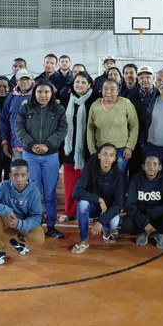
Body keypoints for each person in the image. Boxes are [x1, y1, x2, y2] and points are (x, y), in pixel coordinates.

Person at [15, 78, 68, 239]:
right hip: (30, 156)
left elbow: (62, 129)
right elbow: (19, 128)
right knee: (33, 192)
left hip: (50, 156)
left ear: (51, 93)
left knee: (50, 192)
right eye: (39, 91)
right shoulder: (25, 107)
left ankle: (51, 225)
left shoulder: (58, 109)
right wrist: (31, 144)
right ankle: (35, 225)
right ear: (34, 92)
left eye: (46, 91)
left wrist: (47, 144)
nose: (42, 95)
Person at [0, 159, 45, 265]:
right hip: (7, 221)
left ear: (28, 175)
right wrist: (6, 210)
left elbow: (37, 216)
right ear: (10, 175)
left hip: (22, 223)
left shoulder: (34, 191)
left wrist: (20, 224)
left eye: (23, 175)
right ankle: (0, 250)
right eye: (15, 175)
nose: (19, 179)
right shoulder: (3, 186)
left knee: (39, 239)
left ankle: (19, 241)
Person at [71, 143, 126, 254]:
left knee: (115, 222)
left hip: (108, 209)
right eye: (104, 154)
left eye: (111, 155)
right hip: (93, 206)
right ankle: (84, 240)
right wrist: (99, 199)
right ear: (99, 155)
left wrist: (101, 222)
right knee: (82, 204)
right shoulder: (89, 168)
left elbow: (118, 204)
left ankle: (106, 231)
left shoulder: (119, 175)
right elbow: (76, 192)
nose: (107, 158)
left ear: (115, 158)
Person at [59, 71, 97, 222]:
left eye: (83, 82)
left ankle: (90, 212)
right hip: (69, 149)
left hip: (88, 149)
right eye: (77, 82)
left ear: (89, 85)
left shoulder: (95, 100)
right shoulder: (66, 99)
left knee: (89, 183)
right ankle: (69, 211)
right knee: (70, 183)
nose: (79, 85)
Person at [122, 155, 163, 249]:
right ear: (143, 166)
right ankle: (143, 232)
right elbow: (130, 205)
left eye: (155, 164)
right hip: (141, 215)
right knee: (127, 225)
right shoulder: (136, 178)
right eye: (148, 164)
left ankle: (159, 232)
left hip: (158, 215)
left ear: (160, 167)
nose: (151, 166)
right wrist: (143, 222)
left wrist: (151, 214)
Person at [86, 79, 139, 173]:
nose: (108, 92)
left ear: (118, 91)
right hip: (101, 149)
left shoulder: (126, 103)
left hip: (121, 150)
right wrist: (92, 150)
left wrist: (130, 146)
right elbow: (90, 128)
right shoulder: (95, 105)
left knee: (120, 179)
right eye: (105, 89)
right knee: (102, 179)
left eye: (112, 89)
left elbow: (134, 126)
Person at [0, 68, 34, 162]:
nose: (24, 82)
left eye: (27, 79)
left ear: (31, 80)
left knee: (33, 175)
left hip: (34, 146)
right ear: (17, 81)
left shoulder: (38, 95)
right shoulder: (11, 97)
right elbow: (4, 120)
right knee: (18, 173)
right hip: (16, 145)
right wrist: (5, 141)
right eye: (21, 79)